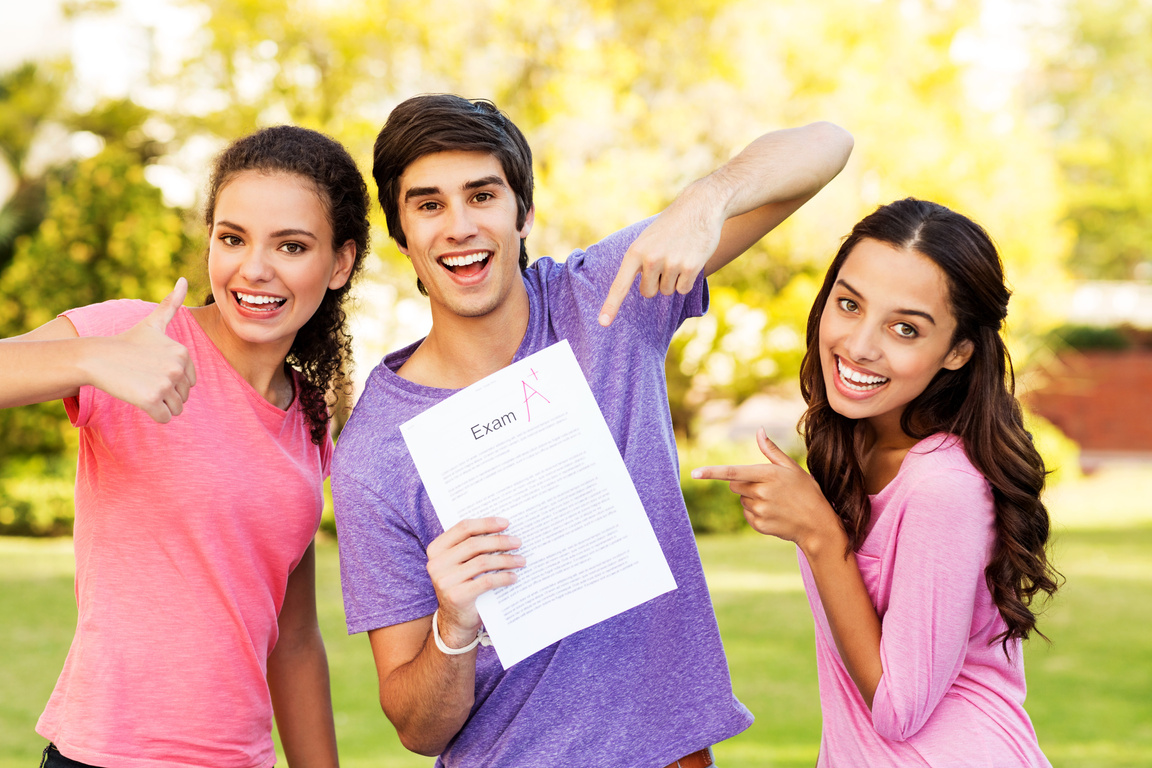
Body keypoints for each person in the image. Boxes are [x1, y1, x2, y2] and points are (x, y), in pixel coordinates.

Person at [331, 93, 853, 767]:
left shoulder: (604, 300)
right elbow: (418, 729)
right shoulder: (375, 452)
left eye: (482, 195)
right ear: (402, 232)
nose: (458, 225)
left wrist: (706, 197)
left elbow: (828, 145)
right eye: (429, 204)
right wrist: (453, 624)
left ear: (524, 212)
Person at [0, 125, 370, 768]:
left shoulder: (311, 413)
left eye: (290, 245)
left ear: (339, 263)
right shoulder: (133, 340)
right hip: (106, 756)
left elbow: (294, 637)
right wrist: (92, 358)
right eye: (232, 239)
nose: (253, 268)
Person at [694, 198, 1059, 766]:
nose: (861, 345)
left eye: (905, 328)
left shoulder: (943, 485)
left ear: (958, 351)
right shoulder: (858, 443)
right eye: (849, 304)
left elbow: (898, 708)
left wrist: (819, 533)